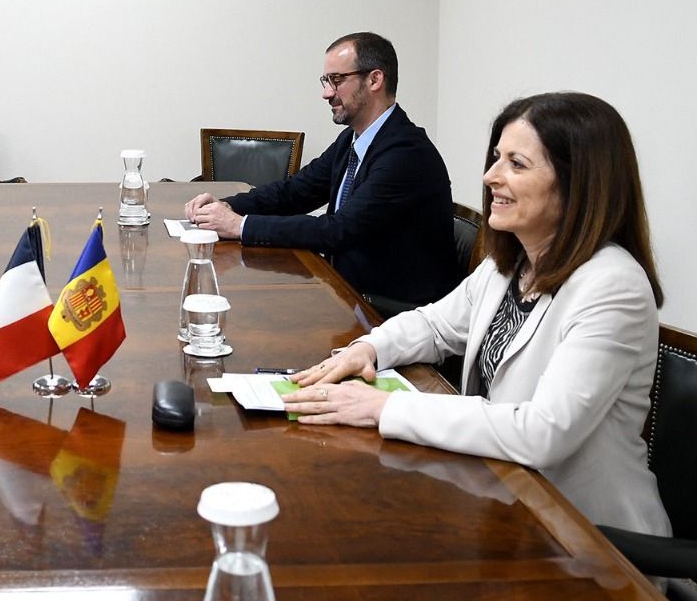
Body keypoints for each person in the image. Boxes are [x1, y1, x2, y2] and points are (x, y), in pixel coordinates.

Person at [282, 92, 671, 537]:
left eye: (516, 164)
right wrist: (369, 347)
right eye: (495, 159)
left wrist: (384, 408)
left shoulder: (613, 286)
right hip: (497, 498)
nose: (491, 176)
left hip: (581, 537)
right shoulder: (512, 263)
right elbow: (435, 324)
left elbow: (542, 433)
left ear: (578, 182)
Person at [184, 32, 460, 310]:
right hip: (346, 290)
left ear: (375, 79)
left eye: (337, 80)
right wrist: (226, 206)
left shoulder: (406, 153)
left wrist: (238, 225)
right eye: (326, 81)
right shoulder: (353, 140)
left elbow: (339, 230)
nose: (327, 93)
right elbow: (294, 193)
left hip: (389, 310)